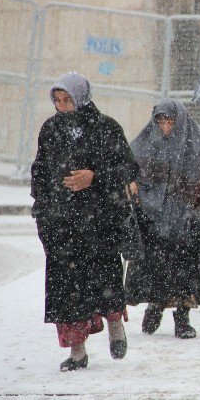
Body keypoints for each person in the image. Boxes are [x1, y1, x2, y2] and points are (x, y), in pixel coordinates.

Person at [31, 72, 135, 372]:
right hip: (62, 223)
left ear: (82, 98)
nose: (63, 107)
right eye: (58, 100)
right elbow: (40, 171)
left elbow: (126, 167)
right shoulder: (50, 130)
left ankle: (115, 323)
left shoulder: (106, 128)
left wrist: (94, 176)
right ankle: (77, 351)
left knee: (104, 279)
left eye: (68, 100)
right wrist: (45, 208)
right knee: (67, 288)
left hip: (98, 222)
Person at [125, 99, 200, 339]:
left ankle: (182, 317)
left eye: (170, 123)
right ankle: (156, 304)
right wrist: (133, 181)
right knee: (157, 264)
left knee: (187, 268)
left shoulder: (199, 143)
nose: (166, 128)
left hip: (188, 217)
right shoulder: (146, 142)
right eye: (161, 122)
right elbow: (129, 166)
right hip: (154, 215)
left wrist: (185, 194)